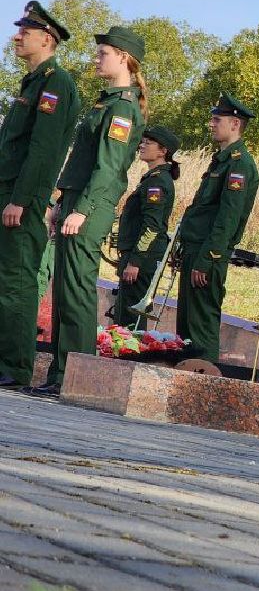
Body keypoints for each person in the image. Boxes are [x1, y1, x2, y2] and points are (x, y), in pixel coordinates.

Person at [35, 26, 150, 394]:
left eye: (103, 53)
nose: (96, 58)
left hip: (91, 205)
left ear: (123, 58)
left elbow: (109, 168)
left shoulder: (122, 108)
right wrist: (60, 202)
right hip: (75, 200)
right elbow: (83, 161)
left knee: (77, 290)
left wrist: (81, 209)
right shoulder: (107, 102)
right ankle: (59, 374)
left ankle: (74, 378)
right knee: (65, 290)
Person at [0, 1, 80, 390]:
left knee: (15, 280)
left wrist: (21, 199)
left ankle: (14, 367)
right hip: (8, 194)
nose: (16, 37)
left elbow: (44, 150)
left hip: (20, 200)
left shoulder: (56, 83)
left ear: (46, 39)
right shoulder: (32, 82)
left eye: (25, 32)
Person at [175, 95, 259, 363]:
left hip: (207, 255)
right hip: (195, 249)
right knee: (187, 326)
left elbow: (228, 218)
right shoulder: (222, 160)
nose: (211, 124)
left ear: (235, 124)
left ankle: (200, 382)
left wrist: (207, 258)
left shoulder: (239, 164)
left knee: (200, 325)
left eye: (217, 120)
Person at [113, 125, 180, 331]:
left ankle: (128, 359)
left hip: (143, 257)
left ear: (163, 151)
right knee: (125, 312)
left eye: (148, 143)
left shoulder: (157, 183)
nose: (141, 145)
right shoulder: (152, 178)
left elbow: (152, 226)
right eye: (142, 141)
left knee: (130, 318)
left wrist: (135, 261)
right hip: (137, 254)